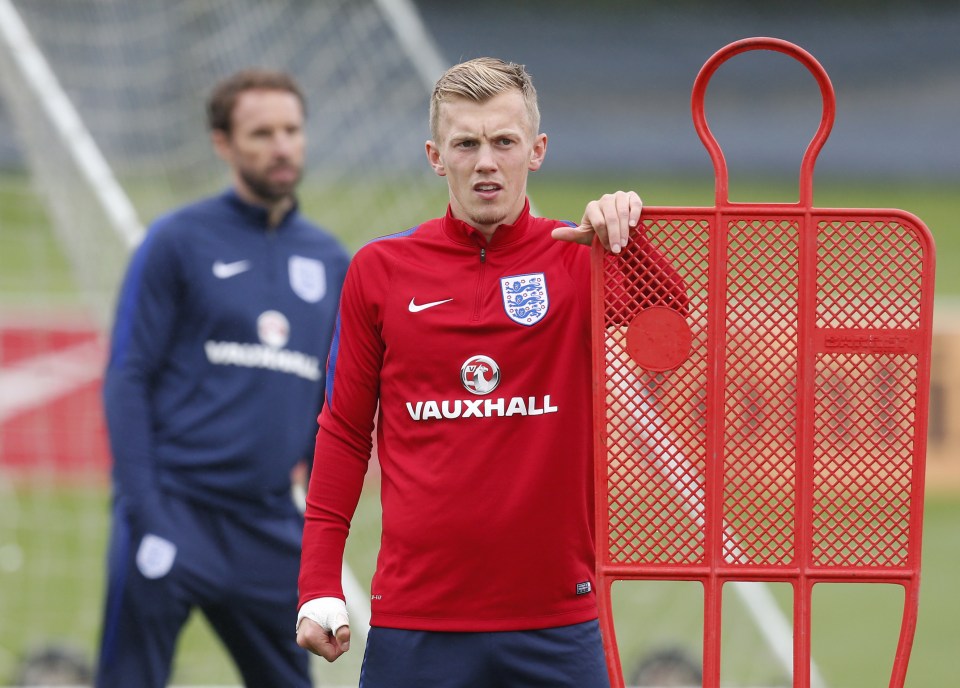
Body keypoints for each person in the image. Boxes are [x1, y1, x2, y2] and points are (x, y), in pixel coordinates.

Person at [296, 57, 684, 687]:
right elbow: (343, 432)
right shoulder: (381, 270)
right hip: (416, 625)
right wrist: (318, 583)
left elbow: (670, 333)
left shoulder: (579, 257)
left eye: (504, 142)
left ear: (537, 150)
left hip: (556, 624)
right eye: (466, 143)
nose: (485, 162)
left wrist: (631, 238)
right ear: (434, 155)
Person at [95, 68, 350, 688]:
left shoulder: (329, 259)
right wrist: (146, 513)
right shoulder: (177, 241)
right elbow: (127, 377)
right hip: (173, 509)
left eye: (291, 130)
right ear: (223, 144)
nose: (282, 146)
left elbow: (332, 406)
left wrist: (318, 525)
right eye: (261, 132)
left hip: (267, 525)